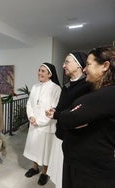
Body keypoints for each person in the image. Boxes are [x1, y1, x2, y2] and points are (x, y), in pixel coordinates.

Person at [57, 47, 115, 188]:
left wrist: (67, 114)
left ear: (105, 66)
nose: (84, 69)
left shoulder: (109, 93)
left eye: (88, 64)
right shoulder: (98, 91)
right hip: (84, 166)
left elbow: (68, 118)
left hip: (90, 172)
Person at [45, 52, 91, 188]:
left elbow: (79, 116)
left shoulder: (87, 87)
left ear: (79, 65)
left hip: (73, 140)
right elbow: (63, 108)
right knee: (58, 173)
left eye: (67, 62)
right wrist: (55, 111)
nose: (63, 65)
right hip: (60, 135)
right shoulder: (66, 86)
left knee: (68, 177)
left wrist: (58, 115)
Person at [23, 63, 61, 186]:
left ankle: (44, 172)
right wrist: (31, 117)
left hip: (46, 126)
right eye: (39, 70)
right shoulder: (35, 86)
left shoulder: (56, 89)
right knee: (34, 148)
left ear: (50, 74)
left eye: (43, 71)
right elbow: (29, 103)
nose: (40, 73)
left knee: (45, 151)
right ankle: (34, 168)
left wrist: (39, 121)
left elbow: (53, 109)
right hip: (34, 124)